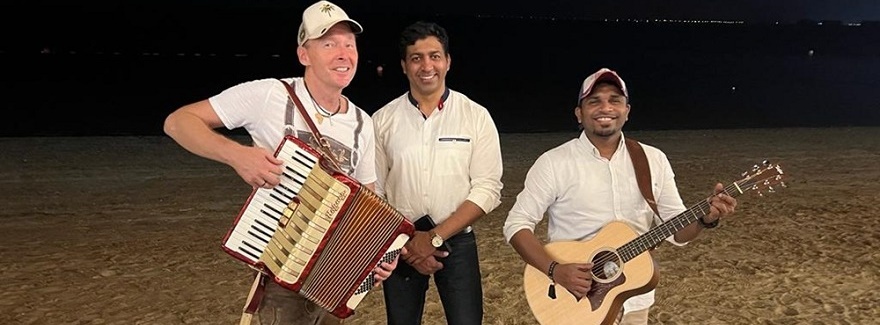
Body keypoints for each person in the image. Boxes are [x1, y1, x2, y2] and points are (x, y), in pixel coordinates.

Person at [162, 1, 398, 324]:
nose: (343, 53)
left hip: (335, 279)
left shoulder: (362, 122)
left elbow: (368, 205)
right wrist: (238, 156)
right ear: (304, 55)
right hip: (280, 276)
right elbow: (178, 122)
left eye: (349, 44)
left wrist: (378, 255)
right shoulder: (272, 95)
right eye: (328, 44)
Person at [502, 67, 738, 325]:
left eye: (615, 100)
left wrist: (704, 219)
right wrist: (555, 270)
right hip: (572, 298)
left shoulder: (653, 159)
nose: (606, 108)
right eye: (594, 101)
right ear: (579, 114)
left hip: (635, 297)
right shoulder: (553, 162)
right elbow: (517, 224)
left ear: (627, 111)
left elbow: (676, 231)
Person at [372, 21, 503, 325]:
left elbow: (487, 189)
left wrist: (433, 238)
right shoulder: (382, 120)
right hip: (401, 245)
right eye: (416, 58)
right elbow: (374, 191)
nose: (426, 65)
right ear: (404, 66)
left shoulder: (476, 116)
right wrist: (406, 243)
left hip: (457, 242)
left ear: (448, 62)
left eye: (434, 56)